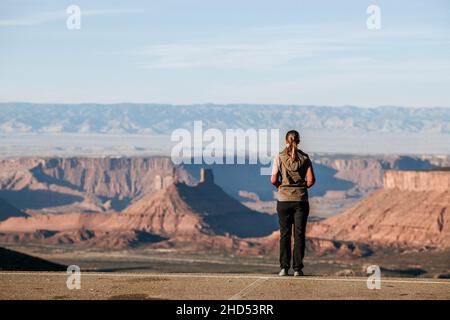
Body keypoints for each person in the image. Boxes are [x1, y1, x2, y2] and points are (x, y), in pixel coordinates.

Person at [271, 130, 315, 276]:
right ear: (299, 141)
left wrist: (281, 187)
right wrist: (301, 188)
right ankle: (297, 269)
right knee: (299, 234)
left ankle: (284, 268)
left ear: (286, 141)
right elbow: (311, 181)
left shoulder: (279, 156)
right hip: (300, 200)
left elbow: (273, 180)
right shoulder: (305, 158)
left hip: (283, 200)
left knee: (285, 234)